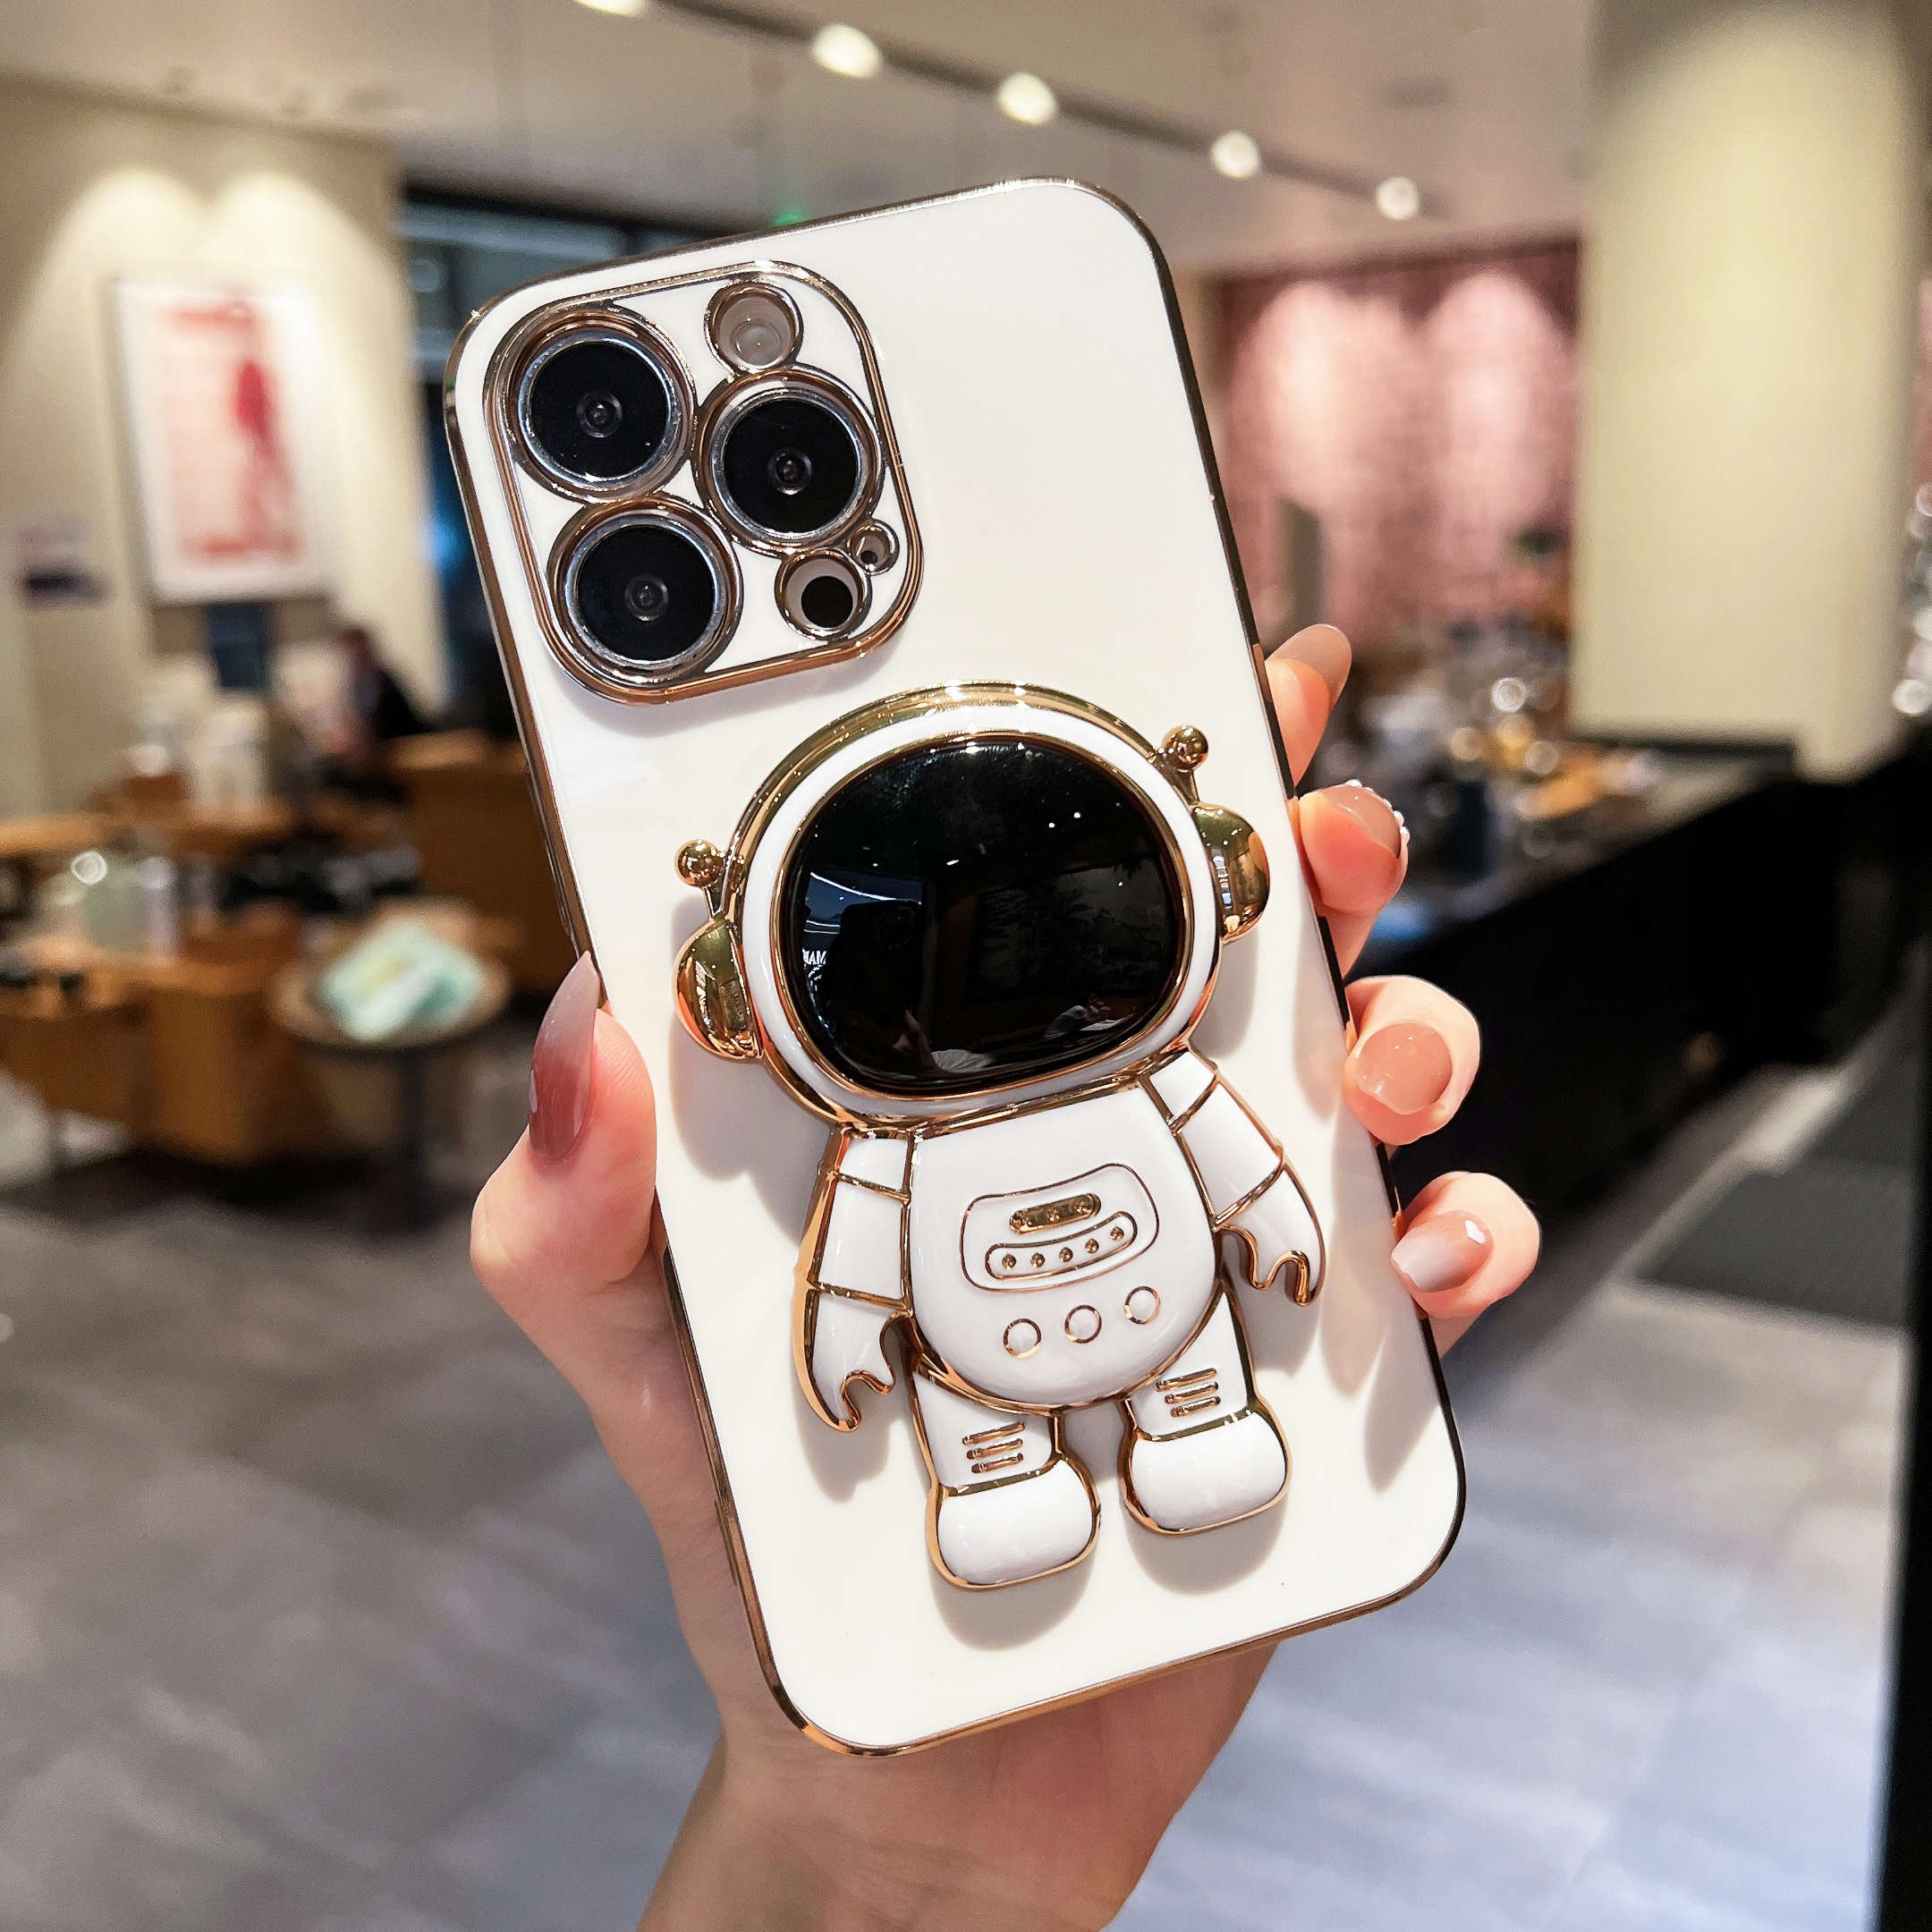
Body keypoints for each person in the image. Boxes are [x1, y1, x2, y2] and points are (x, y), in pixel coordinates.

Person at [472, 625, 1540, 1929]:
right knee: (1004, 1433)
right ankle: (1012, 1473)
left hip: (1152, 1320)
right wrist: (840, 1340)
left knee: (1179, 1379)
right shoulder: (909, 1145)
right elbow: (866, 1264)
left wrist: (1288, 1220)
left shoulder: (1013, 1117)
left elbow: (1236, 1169)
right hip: (1015, 1352)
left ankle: (1185, 1426)